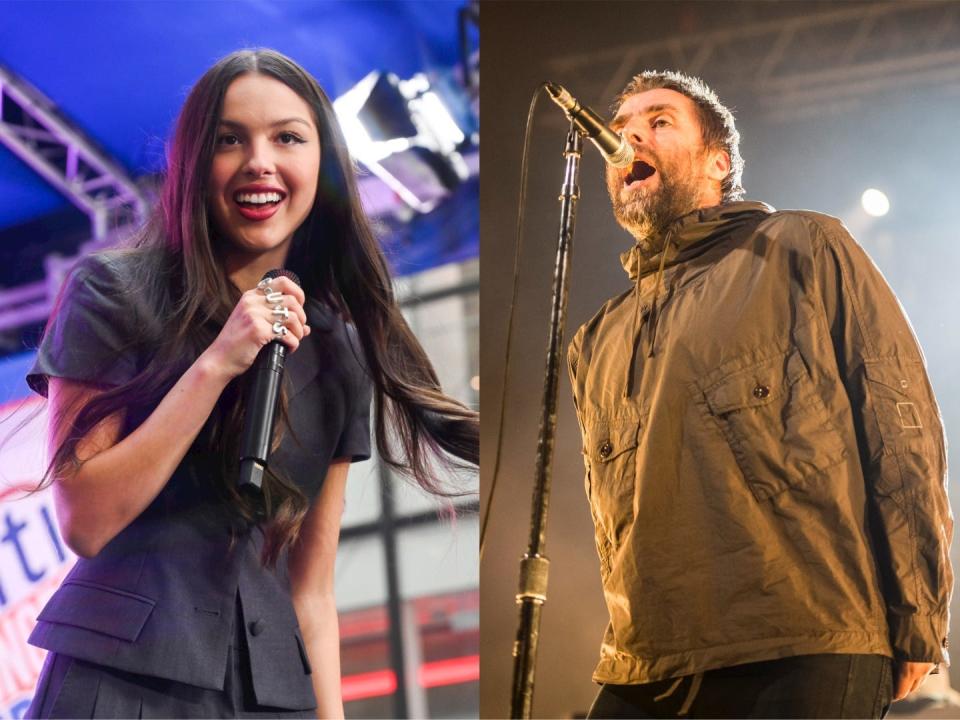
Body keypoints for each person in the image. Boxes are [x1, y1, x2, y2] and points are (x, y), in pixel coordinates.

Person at [23, 48, 478, 719]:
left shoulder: (336, 348)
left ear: (321, 165)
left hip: (267, 697)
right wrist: (218, 362)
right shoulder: (113, 292)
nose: (259, 160)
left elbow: (311, 591)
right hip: (119, 685)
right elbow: (85, 520)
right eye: (230, 139)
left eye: (287, 138)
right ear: (194, 165)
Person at [566, 70, 952, 719]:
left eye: (659, 120)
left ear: (718, 161)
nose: (631, 135)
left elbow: (900, 426)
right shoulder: (597, 339)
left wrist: (918, 614)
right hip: (648, 660)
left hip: (805, 642)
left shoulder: (805, 246)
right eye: (623, 127)